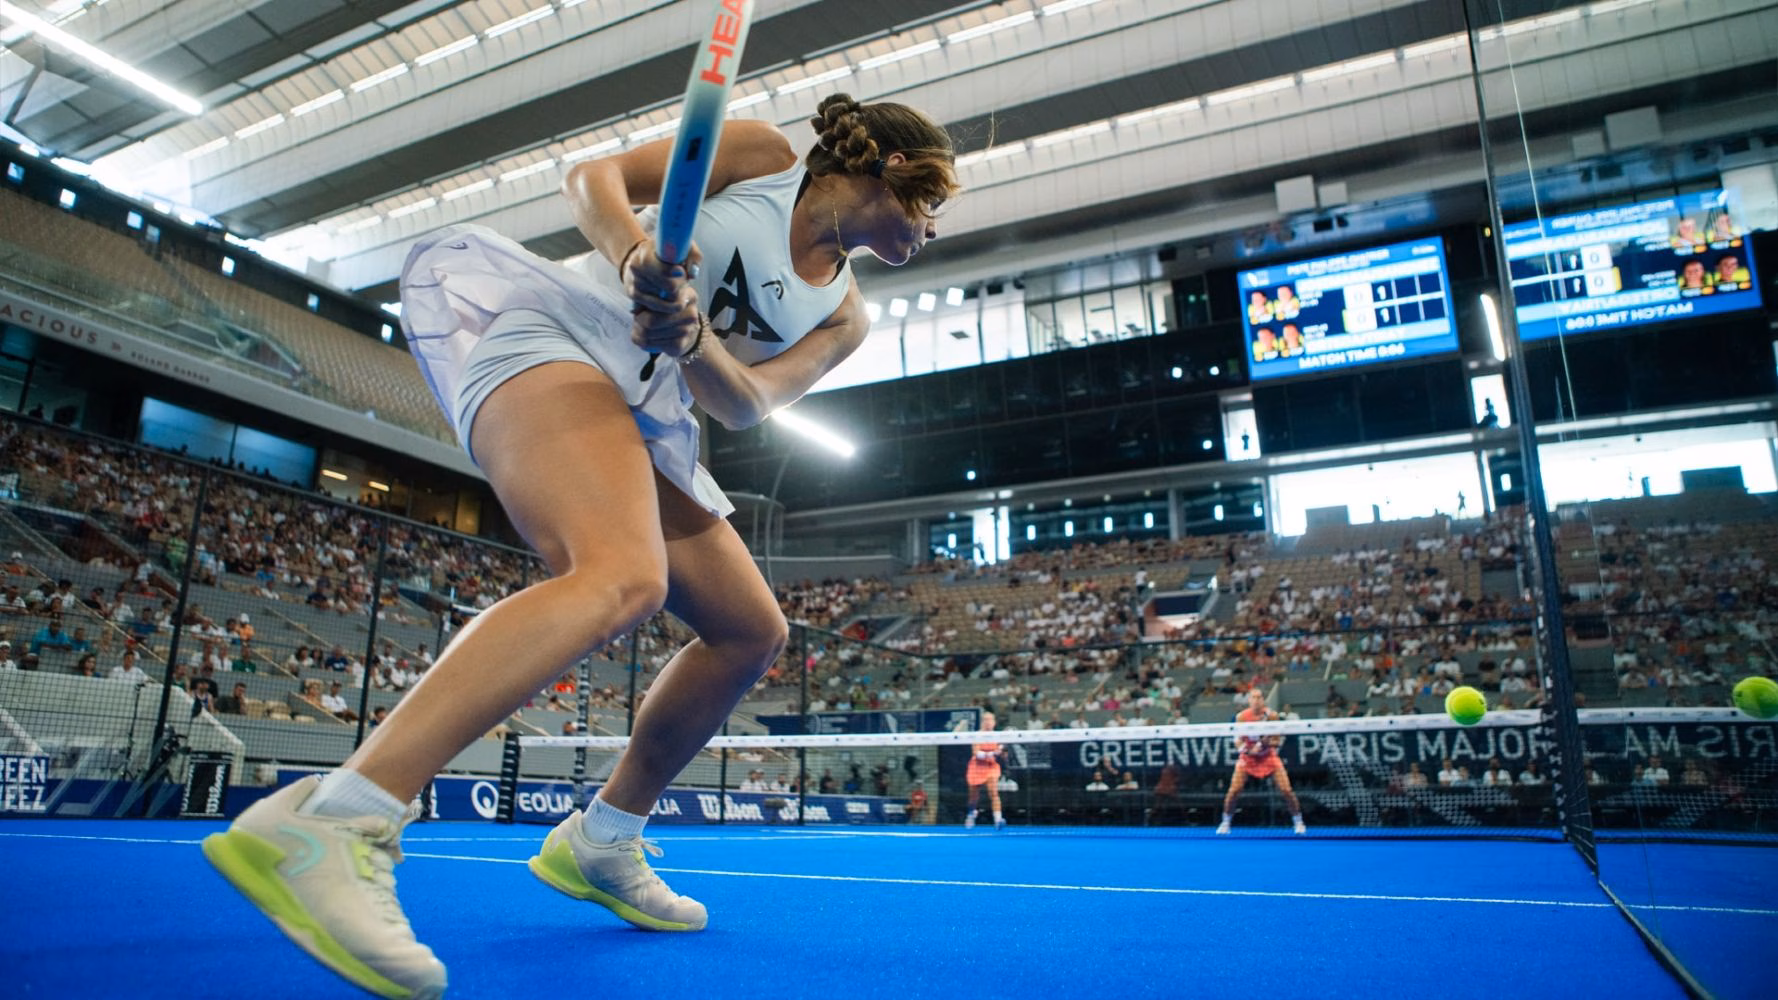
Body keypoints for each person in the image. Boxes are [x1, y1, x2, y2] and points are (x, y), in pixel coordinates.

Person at [204, 92, 957, 997]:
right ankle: (337, 819)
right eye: (932, 205)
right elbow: (591, 179)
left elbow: (745, 403)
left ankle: (602, 841)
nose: (933, 228)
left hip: (655, 412)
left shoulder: (849, 316)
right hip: (556, 342)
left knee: (750, 632)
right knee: (618, 577)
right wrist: (636, 253)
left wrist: (692, 341)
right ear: (893, 174)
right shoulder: (762, 155)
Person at [1217, 687, 1305, 835]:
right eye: (1253, 698)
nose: (1256, 701)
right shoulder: (1241, 717)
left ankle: (1298, 821)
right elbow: (1237, 741)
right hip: (1247, 758)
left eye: (1259, 698)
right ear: (1249, 700)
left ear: (1263, 700)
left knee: (1286, 790)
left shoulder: (1272, 716)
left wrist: (1265, 743)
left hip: (1268, 757)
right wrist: (1250, 751)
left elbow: (1277, 741)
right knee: (1234, 791)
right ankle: (1225, 822)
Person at [965, 710, 1007, 830]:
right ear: (982, 722)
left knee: (994, 793)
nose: (988, 722)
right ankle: (971, 814)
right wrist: (993, 752)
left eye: (990, 720)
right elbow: (976, 753)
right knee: (973, 796)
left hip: (991, 767)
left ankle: (998, 820)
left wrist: (1002, 753)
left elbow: (1003, 754)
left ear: (994, 722)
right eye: (986, 720)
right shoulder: (977, 735)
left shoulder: (997, 736)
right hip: (976, 767)